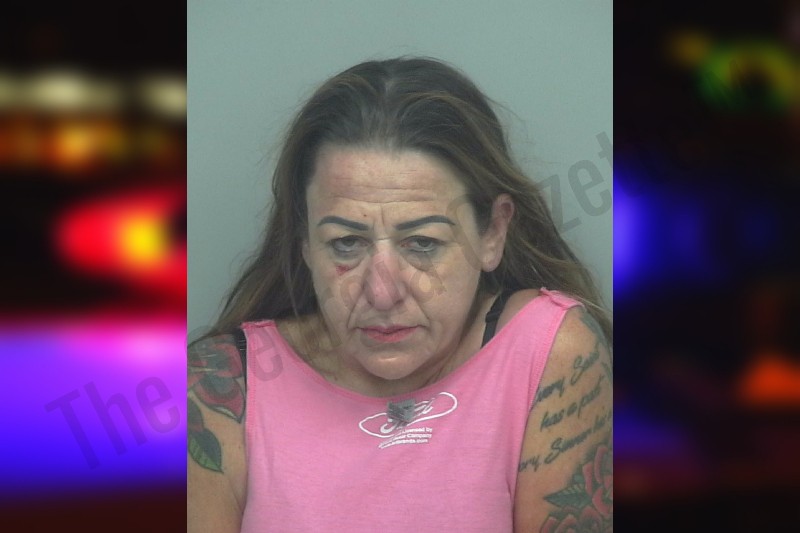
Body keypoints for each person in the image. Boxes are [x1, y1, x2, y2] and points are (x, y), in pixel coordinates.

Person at [187, 56, 612, 533]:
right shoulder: (221, 385)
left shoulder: (549, 351)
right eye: (346, 243)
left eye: (423, 243)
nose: (382, 293)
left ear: (492, 233)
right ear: (304, 241)